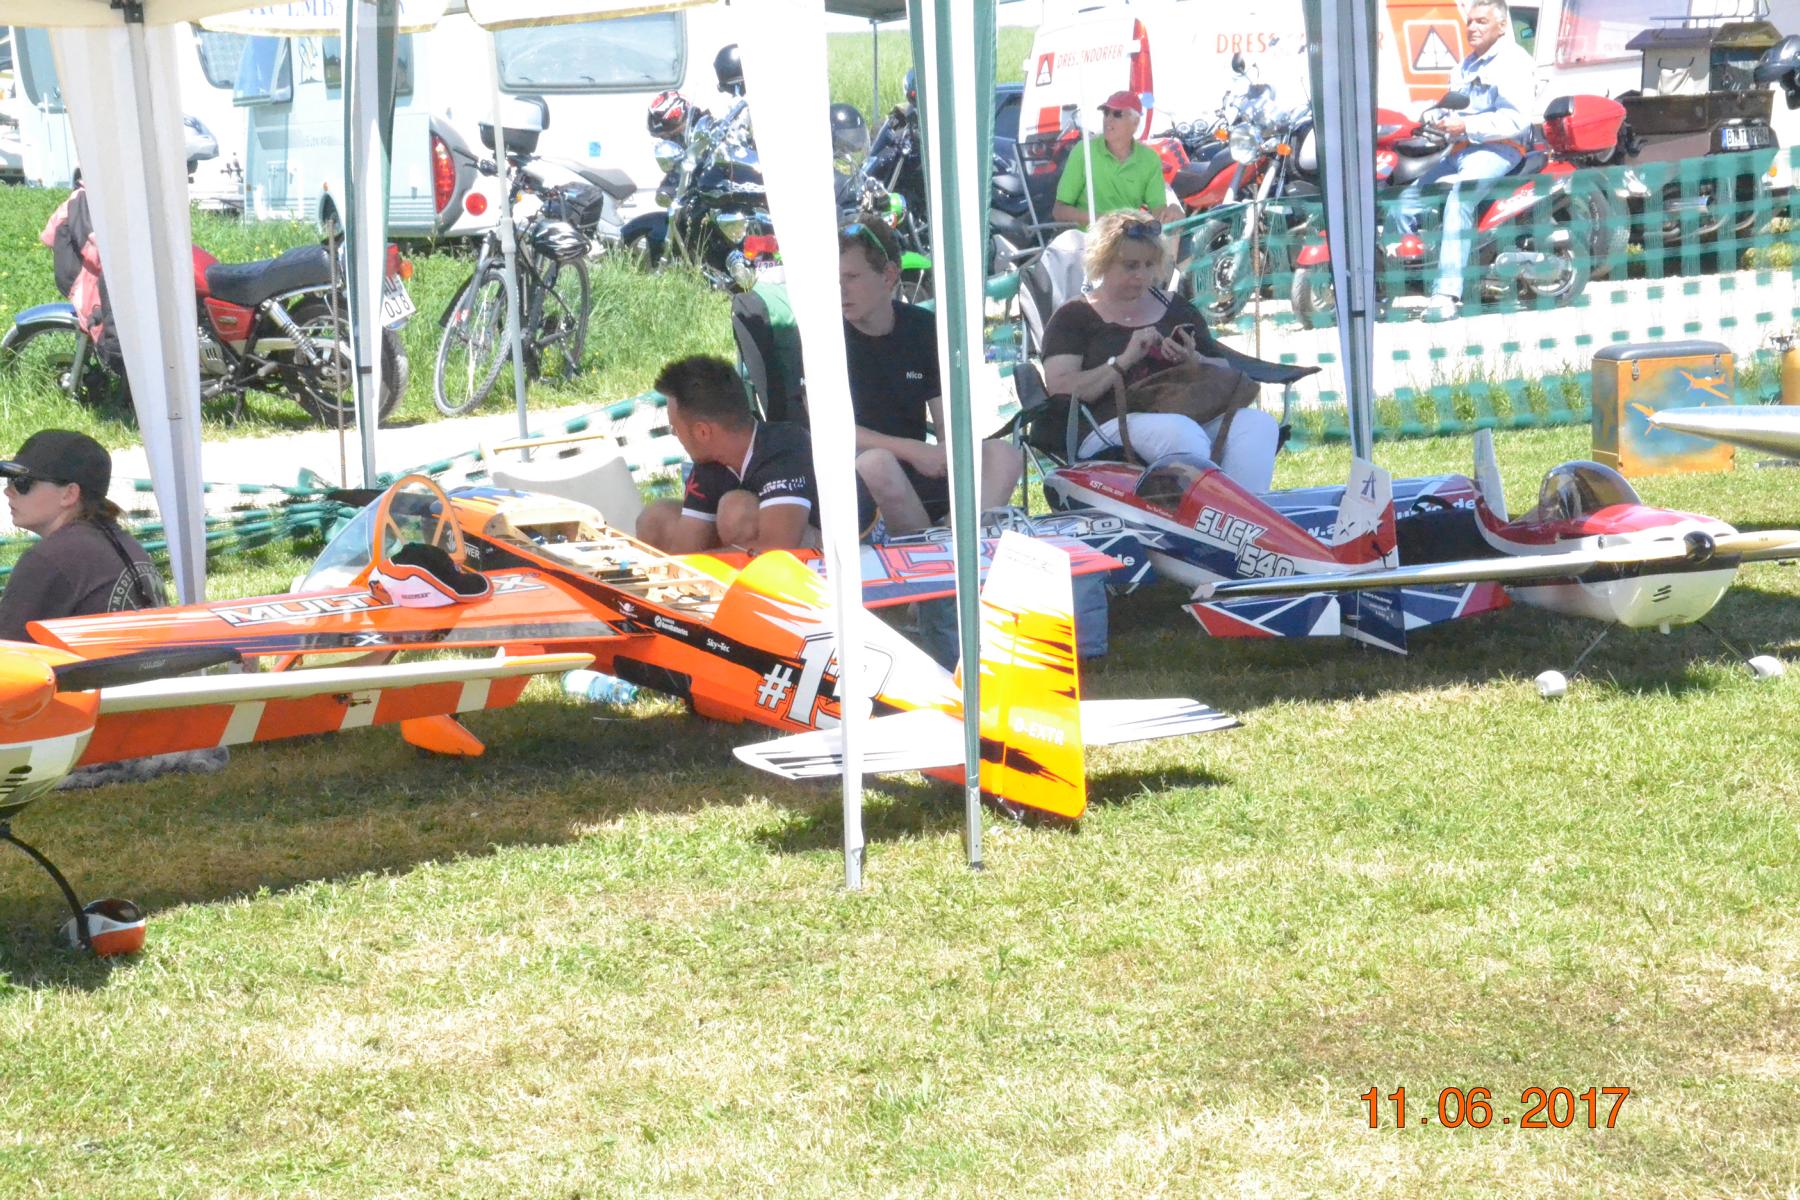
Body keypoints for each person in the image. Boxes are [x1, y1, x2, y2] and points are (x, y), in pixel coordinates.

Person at [1039, 209, 1280, 492]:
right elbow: (1060, 388)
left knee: (1257, 425)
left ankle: (1243, 512)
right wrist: (1123, 361)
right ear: (1102, 262)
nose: (1141, 275)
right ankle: (1201, 511)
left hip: (1188, 409)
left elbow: (1222, 367)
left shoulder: (1176, 307)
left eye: (1149, 265)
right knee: (1181, 435)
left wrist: (1193, 359)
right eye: (1130, 266)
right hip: (1105, 423)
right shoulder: (1074, 316)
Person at [839, 220, 1024, 536]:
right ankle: (933, 551)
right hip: (856, 477)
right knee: (877, 463)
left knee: (1002, 455)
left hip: (918, 466)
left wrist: (946, 450)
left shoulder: (921, 328)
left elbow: (946, 419)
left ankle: (952, 545)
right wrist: (913, 450)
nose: (840, 290)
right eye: (834, 279)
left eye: (851, 277)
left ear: (888, 275)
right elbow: (828, 429)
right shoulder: (826, 335)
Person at [1392, 0, 1538, 323]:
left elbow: (1517, 120)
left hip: (1499, 148)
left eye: (1481, 21)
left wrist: (1466, 126)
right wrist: (1433, 117)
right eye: (1470, 21)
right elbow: (1451, 107)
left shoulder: (1514, 62)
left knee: (1459, 200)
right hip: (1458, 150)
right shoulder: (1465, 66)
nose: (1472, 27)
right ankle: (1410, 279)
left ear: (1502, 26)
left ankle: (1446, 295)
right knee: (1402, 205)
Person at [635, 355, 823, 555]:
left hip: (820, 555)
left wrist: (698, 563)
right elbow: (685, 548)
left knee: (735, 509)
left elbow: (776, 548)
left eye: (675, 427)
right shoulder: (708, 461)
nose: (675, 434)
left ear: (703, 432)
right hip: (759, 549)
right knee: (656, 519)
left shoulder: (785, 445)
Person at [0, 429, 162, 642]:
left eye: (22, 483)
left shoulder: (50, 559)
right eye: (9, 481)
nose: (8, 491)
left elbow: (7, 653)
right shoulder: (126, 544)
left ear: (69, 494)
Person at [1050, 90, 1182, 229]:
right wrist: (1103, 220)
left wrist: (1173, 210)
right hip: (1088, 239)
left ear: (1135, 122)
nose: (1108, 119)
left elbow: (1158, 211)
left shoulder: (1150, 159)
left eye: (1117, 114)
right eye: (1106, 112)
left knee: (1175, 235)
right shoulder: (1084, 151)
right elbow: (1059, 211)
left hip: (1128, 238)